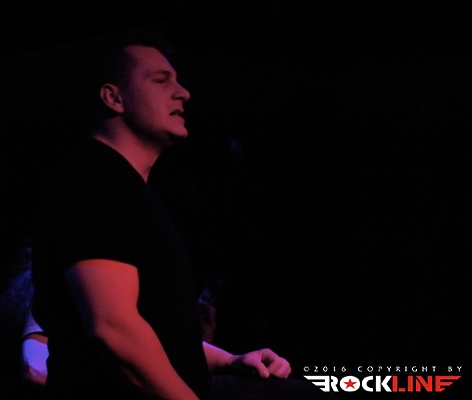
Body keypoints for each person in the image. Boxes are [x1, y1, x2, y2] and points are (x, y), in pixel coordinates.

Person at [31, 31, 337, 399]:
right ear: (114, 97)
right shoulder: (96, 183)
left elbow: (160, 335)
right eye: (161, 81)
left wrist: (230, 360)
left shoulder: (125, 188)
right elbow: (115, 330)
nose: (184, 93)